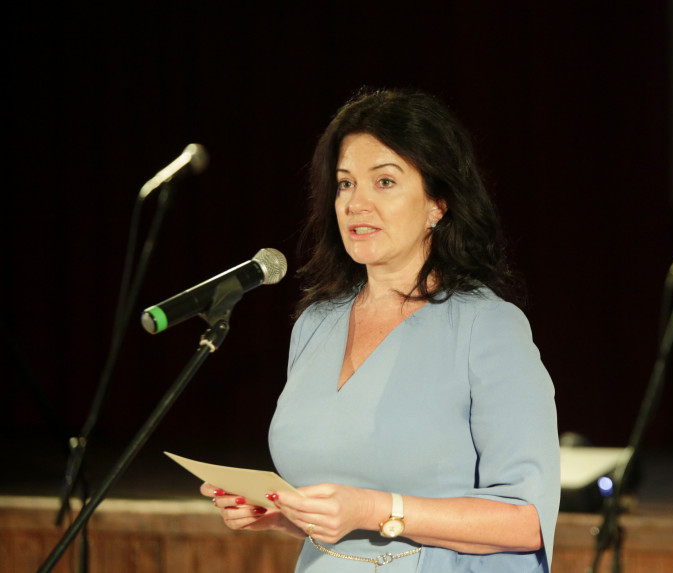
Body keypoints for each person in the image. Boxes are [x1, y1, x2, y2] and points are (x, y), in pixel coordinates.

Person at [201, 88, 560, 572]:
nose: (356, 203)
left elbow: (527, 521)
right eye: (345, 184)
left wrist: (375, 509)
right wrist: (285, 513)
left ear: (438, 203)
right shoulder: (316, 324)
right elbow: (345, 510)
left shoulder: (487, 327)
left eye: (384, 181)